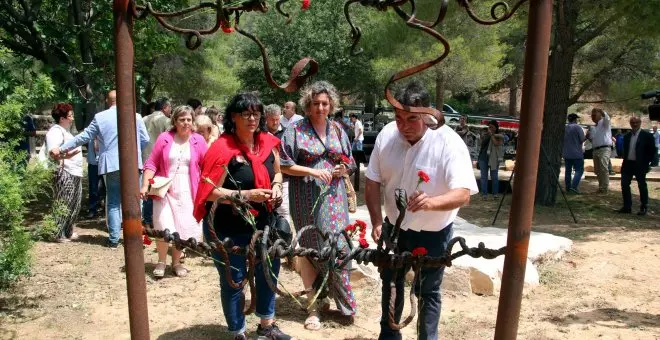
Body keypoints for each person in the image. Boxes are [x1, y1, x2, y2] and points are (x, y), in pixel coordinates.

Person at [365, 81, 478, 340]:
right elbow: (372, 180)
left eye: (411, 119)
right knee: (391, 284)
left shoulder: (449, 143)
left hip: (433, 233)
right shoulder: (387, 135)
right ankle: (389, 336)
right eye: (398, 118)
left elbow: (463, 194)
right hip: (394, 226)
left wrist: (431, 202)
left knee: (428, 291)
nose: (403, 126)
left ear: (428, 115)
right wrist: (376, 222)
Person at [193, 92, 292, 340]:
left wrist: (277, 187)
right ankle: (238, 332)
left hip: (263, 224)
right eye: (245, 113)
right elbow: (209, 192)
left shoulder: (268, 144)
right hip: (227, 226)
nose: (252, 118)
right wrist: (247, 194)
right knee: (233, 280)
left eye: (256, 113)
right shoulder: (221, 148)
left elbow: (277, 174)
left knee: (268, 272)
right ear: (233, 117)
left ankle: (266, 326)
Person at [280, 81, 357, 330]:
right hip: (306, 198)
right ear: (308, 105)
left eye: (325, 103)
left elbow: (351, 161)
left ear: (331, 104)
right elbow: (282, 164)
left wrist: (343, 168)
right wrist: (312, 172)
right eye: (316, 104)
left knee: (340, 246)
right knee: (311, 250)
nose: (321, 108)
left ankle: (343, 302)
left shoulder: (337, 129)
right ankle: (314, 307)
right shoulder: (296, 129)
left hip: (335, 198)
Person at [53, 90, 150, 249]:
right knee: (135, 201)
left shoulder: (100, 117)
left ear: (107, 101)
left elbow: (83, 137)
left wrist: (62, 148)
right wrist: (135, 151)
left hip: (111, 164)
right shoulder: (136, 116)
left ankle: (113, 240)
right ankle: (134, 238)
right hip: (133, 164)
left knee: (112, 201)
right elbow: (145, 139)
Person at [141, 105, 207, 277]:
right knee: (163, 225)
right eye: (182, 119)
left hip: (188, 191)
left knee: (182, 228)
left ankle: (176, 262)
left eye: (189, 119)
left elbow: (206, 166)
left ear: (193, 122)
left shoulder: (198, 141)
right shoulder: (165, 138)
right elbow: (151, 163)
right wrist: (144, 185)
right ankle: (161, 262)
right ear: (175, 121)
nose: (186, 123)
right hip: (164, 189)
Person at [46, 103, 83, 242]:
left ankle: (68, 230)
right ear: (62, 118)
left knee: (75, 202)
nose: (72, 118)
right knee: (63, 201)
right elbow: (53, 152)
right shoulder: (56, 131)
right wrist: (65, 156)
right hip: (64, 172)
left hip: (75, 172)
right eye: (70, 115)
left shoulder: (67, 132)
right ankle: (57, 233)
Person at [142, 97, 173, 228]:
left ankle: (147, 218)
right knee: (159, 190)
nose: (170, 110)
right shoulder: (166, 121)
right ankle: (157, 219)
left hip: (145, 158)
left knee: (147, 189)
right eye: (170, 107)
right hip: (159, 160)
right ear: (165, 107)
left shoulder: (143, 119)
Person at [618, 116, 657, 216]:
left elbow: (652, 150)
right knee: (624, 184)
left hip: (640, 164)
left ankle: (643, 206)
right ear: (630, 123)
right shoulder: (627, 136)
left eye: (636, 122)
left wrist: (648, 163)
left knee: (642, 185)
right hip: (628, 164)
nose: (634, 124)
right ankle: (627, 207)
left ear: (640, 123)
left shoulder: (646, 135)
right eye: (632, 122)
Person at [587, 108, 612, 193]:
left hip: (604, 148)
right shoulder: (594, 127)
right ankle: (601, 187)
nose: (593, 117)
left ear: (600, 115)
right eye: (592, 115)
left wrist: (603, 112)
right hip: (595, 149)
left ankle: (604, 188)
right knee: (597, 170)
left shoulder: (604, 123)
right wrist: (588, 137)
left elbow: (607, 119)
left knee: (603, 168)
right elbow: (592, 139)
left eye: (594, 115)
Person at [477, 120, 504, 200]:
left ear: (496, 128)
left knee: (494, 176)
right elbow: (481, 144)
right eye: (489, 127)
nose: (490, 128)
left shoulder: (500, 135)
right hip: (483, 158)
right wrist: (483, 136)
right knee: (483, 177)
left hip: (494, 159)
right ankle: (484, 194)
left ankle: (495, 194)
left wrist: (491, 135)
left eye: (492, 127)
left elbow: (496, 143)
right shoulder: (486, 135)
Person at [563, 113, 586, 194]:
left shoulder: (565, 128)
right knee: (579, 170)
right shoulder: (578, 127)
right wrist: (587, 136)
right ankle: (574, 187)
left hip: (566, 153)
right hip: (577, 153)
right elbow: (582, 139)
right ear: (575, 119)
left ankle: (568, 188)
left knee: (567, 171)